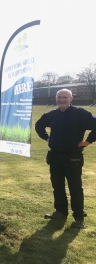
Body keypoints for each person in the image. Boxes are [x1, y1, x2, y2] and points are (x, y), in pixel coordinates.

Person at [35, 89, 96, 229]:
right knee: (57, 185)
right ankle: (60, 212)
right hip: (55, 156)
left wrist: (87, 142)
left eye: (64, 97)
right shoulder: (52, 114)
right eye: (59, 97)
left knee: (75, 187)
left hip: (73, 157)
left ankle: (79, 217)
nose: (61, 100)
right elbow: (39, 125)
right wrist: (47, 137)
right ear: (56, 99)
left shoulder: (81, 114)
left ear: (71, 98)